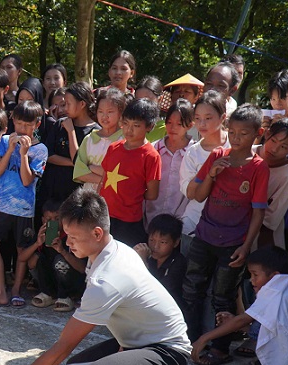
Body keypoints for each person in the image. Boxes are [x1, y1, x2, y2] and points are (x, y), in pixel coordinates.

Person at [0, 188, 190, 365]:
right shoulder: (114, 249)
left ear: (96, 233)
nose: (67, 243)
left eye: (72, 237)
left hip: (168, 351)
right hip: (136, 343)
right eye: (66, 235)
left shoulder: (107, 280)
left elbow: (62, 346)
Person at [184, 104, 269, 365]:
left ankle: (220, 348)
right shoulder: (217, 155)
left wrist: (246, 247)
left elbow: (258, 213)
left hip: (232, 243)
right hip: (204, 234)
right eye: (231, 132)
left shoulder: (258, 168)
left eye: (243, 134)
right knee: (192, 289)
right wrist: (211, 174)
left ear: (258, 133)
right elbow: (196, 195)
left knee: (223, 296)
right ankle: (188, 339)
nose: (236, 138)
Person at [0, 100, 48, 307]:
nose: (22, 130)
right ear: (13, 122)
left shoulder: (41, 150)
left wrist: (24, 154)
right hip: (1, 205)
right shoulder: (4, 141)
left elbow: (27, 181)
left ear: (37, 125)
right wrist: (10, 150)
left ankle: (16, 291)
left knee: (21, 252)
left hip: (24, 209)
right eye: (19, 124)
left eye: (28, 125)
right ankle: (0, 291)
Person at [97, 98, 161, 247]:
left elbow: (152, 194)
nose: (128, 130)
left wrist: (132, 191)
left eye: (136, 125)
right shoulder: (113, 148)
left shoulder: (151, 156)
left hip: (129, 221)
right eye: (125, 123)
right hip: (104, 215)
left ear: (149, 126)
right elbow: (104, 179)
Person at [178, 91, 230, 252]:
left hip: (229, 226)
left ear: (222, 118)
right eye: (198, 118)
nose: (202, 124)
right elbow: (189, 192)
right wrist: (207, 171)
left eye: (208, 118)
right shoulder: (193, 152)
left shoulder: (236, 146)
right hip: (194, 222)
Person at [40, 82, 97, 214]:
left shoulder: (95, 133)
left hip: (76, 197)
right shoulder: (60, 124)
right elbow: (48, 155)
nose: (64, 108)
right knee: (50, 231)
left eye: (68, 104)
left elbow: (81, 162)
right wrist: (75, 164)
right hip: (51, 193)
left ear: (82, 104)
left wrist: (71, 132)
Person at [23, 198, 86, 311]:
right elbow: (23, 259)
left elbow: (82, 269)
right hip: (50, 280)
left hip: (70, 282)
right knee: (37, 257)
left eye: (57, 219)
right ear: (43, 220)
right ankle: (48, 294)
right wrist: (37, 243)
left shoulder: (71, 236)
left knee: (59, 260)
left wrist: (62, 250)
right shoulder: (41, 235)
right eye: (49, 219)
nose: (53, 222)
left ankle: (65, 297)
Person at [253, 119, 288, 248]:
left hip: (260, 240)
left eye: (284, 147)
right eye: (274, 141)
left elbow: (269, 222)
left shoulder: (286, 175)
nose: (274, 149)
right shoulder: (247, 153)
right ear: (267, 134)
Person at [145, 98, 194, 227]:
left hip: (182, 221)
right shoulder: (153, 149)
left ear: (190, 125)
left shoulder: (194, 154)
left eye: (179, 124)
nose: (173, 128)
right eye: (169, 122)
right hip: (150, 218)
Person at [73, 87, 125, 192]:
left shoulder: (125, 140)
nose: (104, 116)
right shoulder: (89, 139)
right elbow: (79, 172)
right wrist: (108, 180)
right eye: (100, 111)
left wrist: (92, 168)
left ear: (121, 113)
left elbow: (125, 175)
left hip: (116, 197)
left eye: (110, 112)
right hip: (91, 197)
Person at [133, 213, 187, 309]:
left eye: (162, 242)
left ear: (176, 242)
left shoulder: (178, 262)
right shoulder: (148, 255)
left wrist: (142, 262)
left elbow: (157, 292)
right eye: (152, 240)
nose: (155, 246)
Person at [135, 76, 165, 142]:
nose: (142, 104)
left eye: (147, 99)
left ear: (160, 99)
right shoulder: (129, 128)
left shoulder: (167, 130)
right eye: (138, 100)